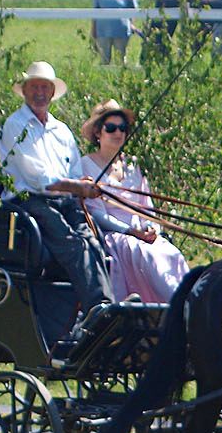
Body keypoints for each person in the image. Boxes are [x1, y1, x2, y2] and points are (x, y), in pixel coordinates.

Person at [0, 61, 114, 341]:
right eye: (34, 87)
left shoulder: (61, 131)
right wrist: (77, 187)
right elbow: (39, 180)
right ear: (25, 91)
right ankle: (97, 311)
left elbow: (74, 172)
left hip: (64, 201)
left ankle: (106, 309)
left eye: (44, 88)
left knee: (94, 241)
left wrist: (82, 187)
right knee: (73, 245)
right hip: (28, 202)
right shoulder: (15, 125)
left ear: (51, 93)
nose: (39, 93)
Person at [77, 99, 191, 303]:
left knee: (171, 253)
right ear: (98, 133)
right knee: (146, 255)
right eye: (111, 128)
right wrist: (130, 231)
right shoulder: (86, 165)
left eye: (122, 128)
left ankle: (187, 302)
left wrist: (151, 227)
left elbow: (146, 205)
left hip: (141, 233)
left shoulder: (132, 166)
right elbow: (96, 213)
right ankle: (175, 306)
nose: (118, 133)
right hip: (115, 236)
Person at [93, 0, 137, 66]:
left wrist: (131, 24)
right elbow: (95, 11)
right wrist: (93, 30)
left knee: (120, 61)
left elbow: (133, 9)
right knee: (104, 61)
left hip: (121, 31)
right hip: (103, 31)